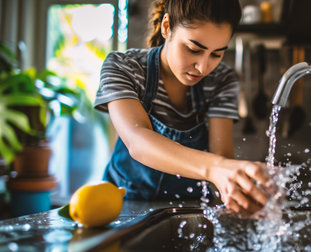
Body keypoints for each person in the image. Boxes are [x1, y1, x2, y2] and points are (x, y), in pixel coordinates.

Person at [94, 0, 272, 214]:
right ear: (167, 27)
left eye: (216, 54)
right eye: (193, 49)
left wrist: (238, 192)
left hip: (189, 209)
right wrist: (215, 168)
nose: (203, 67)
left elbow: (221, 155)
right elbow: (137, 141)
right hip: (122, 206)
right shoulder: (124, 67)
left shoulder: (222, 80)